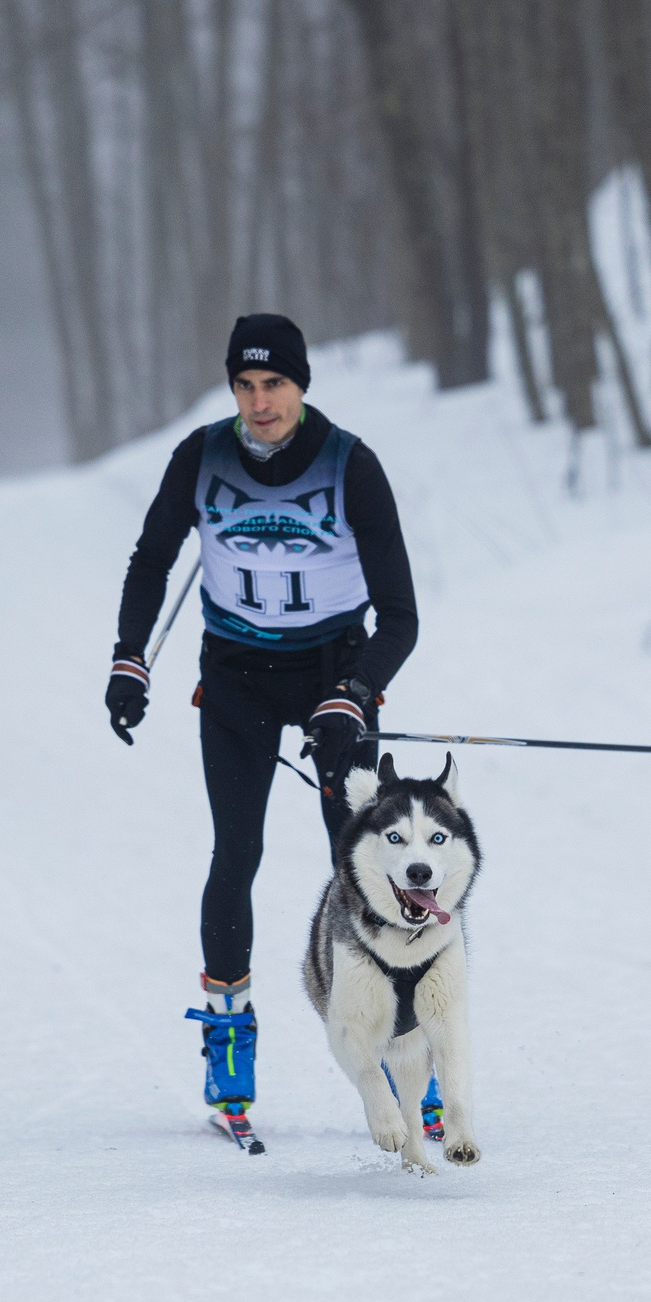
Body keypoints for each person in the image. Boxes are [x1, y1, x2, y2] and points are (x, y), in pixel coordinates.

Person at [105, 313, 420, 1125]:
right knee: (236, 850)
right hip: (236, 677)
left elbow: (401, 616)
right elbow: (152, 558)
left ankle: (402, 1049)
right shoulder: (202, 455)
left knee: (362, 864)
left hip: (332, 676)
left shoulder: (351, 464)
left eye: (274, 383)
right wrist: (130, 655)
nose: (259, 402)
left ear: (300, 384)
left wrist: (355, 689)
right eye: (244, 385)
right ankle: (228, 1041)